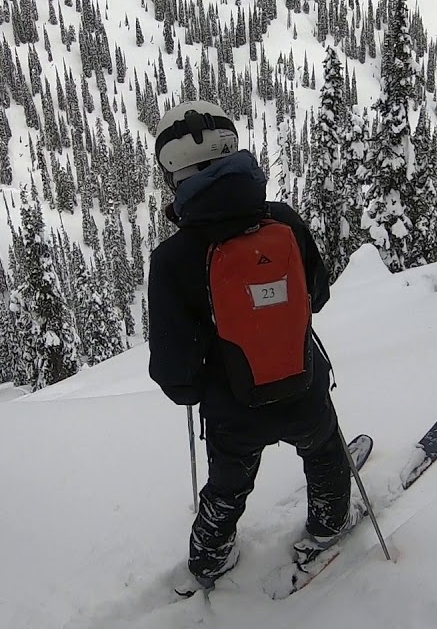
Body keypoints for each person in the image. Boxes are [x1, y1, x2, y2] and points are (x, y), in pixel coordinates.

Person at [146, 100, 353, 593]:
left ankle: (209, 558)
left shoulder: (173, 258)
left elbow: (175, 375)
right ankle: (328, 523)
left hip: (232, 410)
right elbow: (318, 295)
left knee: (228, 485)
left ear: (174, 175)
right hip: (302, 384)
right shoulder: (282, 220)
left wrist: (202, 385)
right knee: (323, 450)